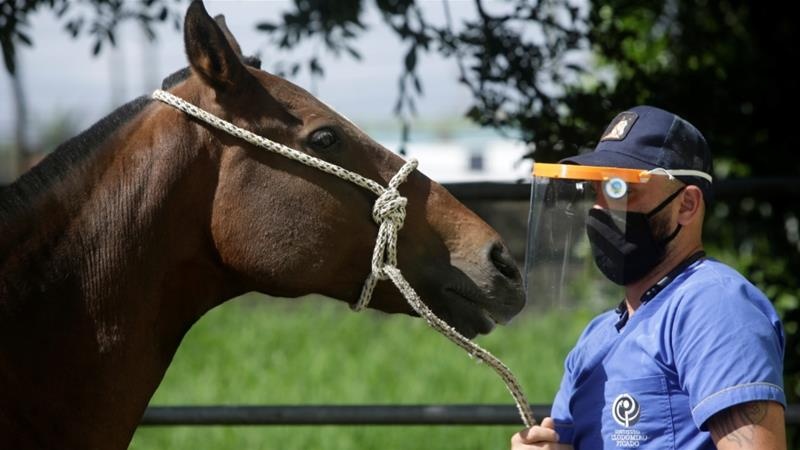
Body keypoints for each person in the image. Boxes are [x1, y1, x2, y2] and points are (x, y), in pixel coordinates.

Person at [512, 106, 786, 449]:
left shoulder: (714, 306)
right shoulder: (597, 336)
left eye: (621, 188)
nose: (600, 209)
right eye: (598, 189)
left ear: (686, 205)